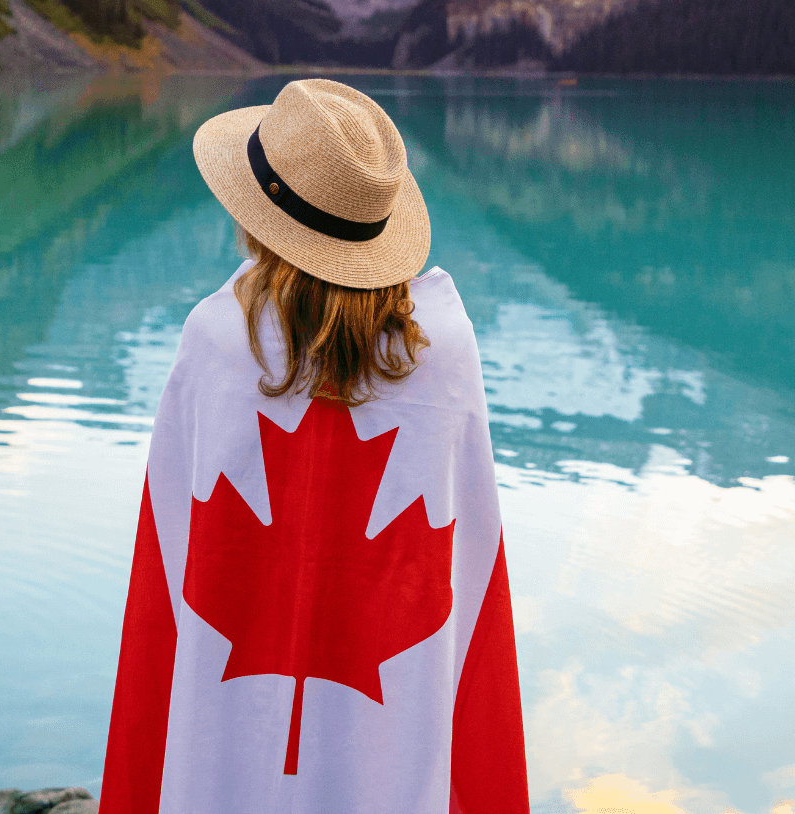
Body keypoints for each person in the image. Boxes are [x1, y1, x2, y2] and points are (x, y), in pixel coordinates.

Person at [99, 79, 528, 814]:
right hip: (391, 750)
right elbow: (472, 572)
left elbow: (168, 564)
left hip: (224, 746)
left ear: (259, 216)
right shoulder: (447, 351)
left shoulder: (213, 340)